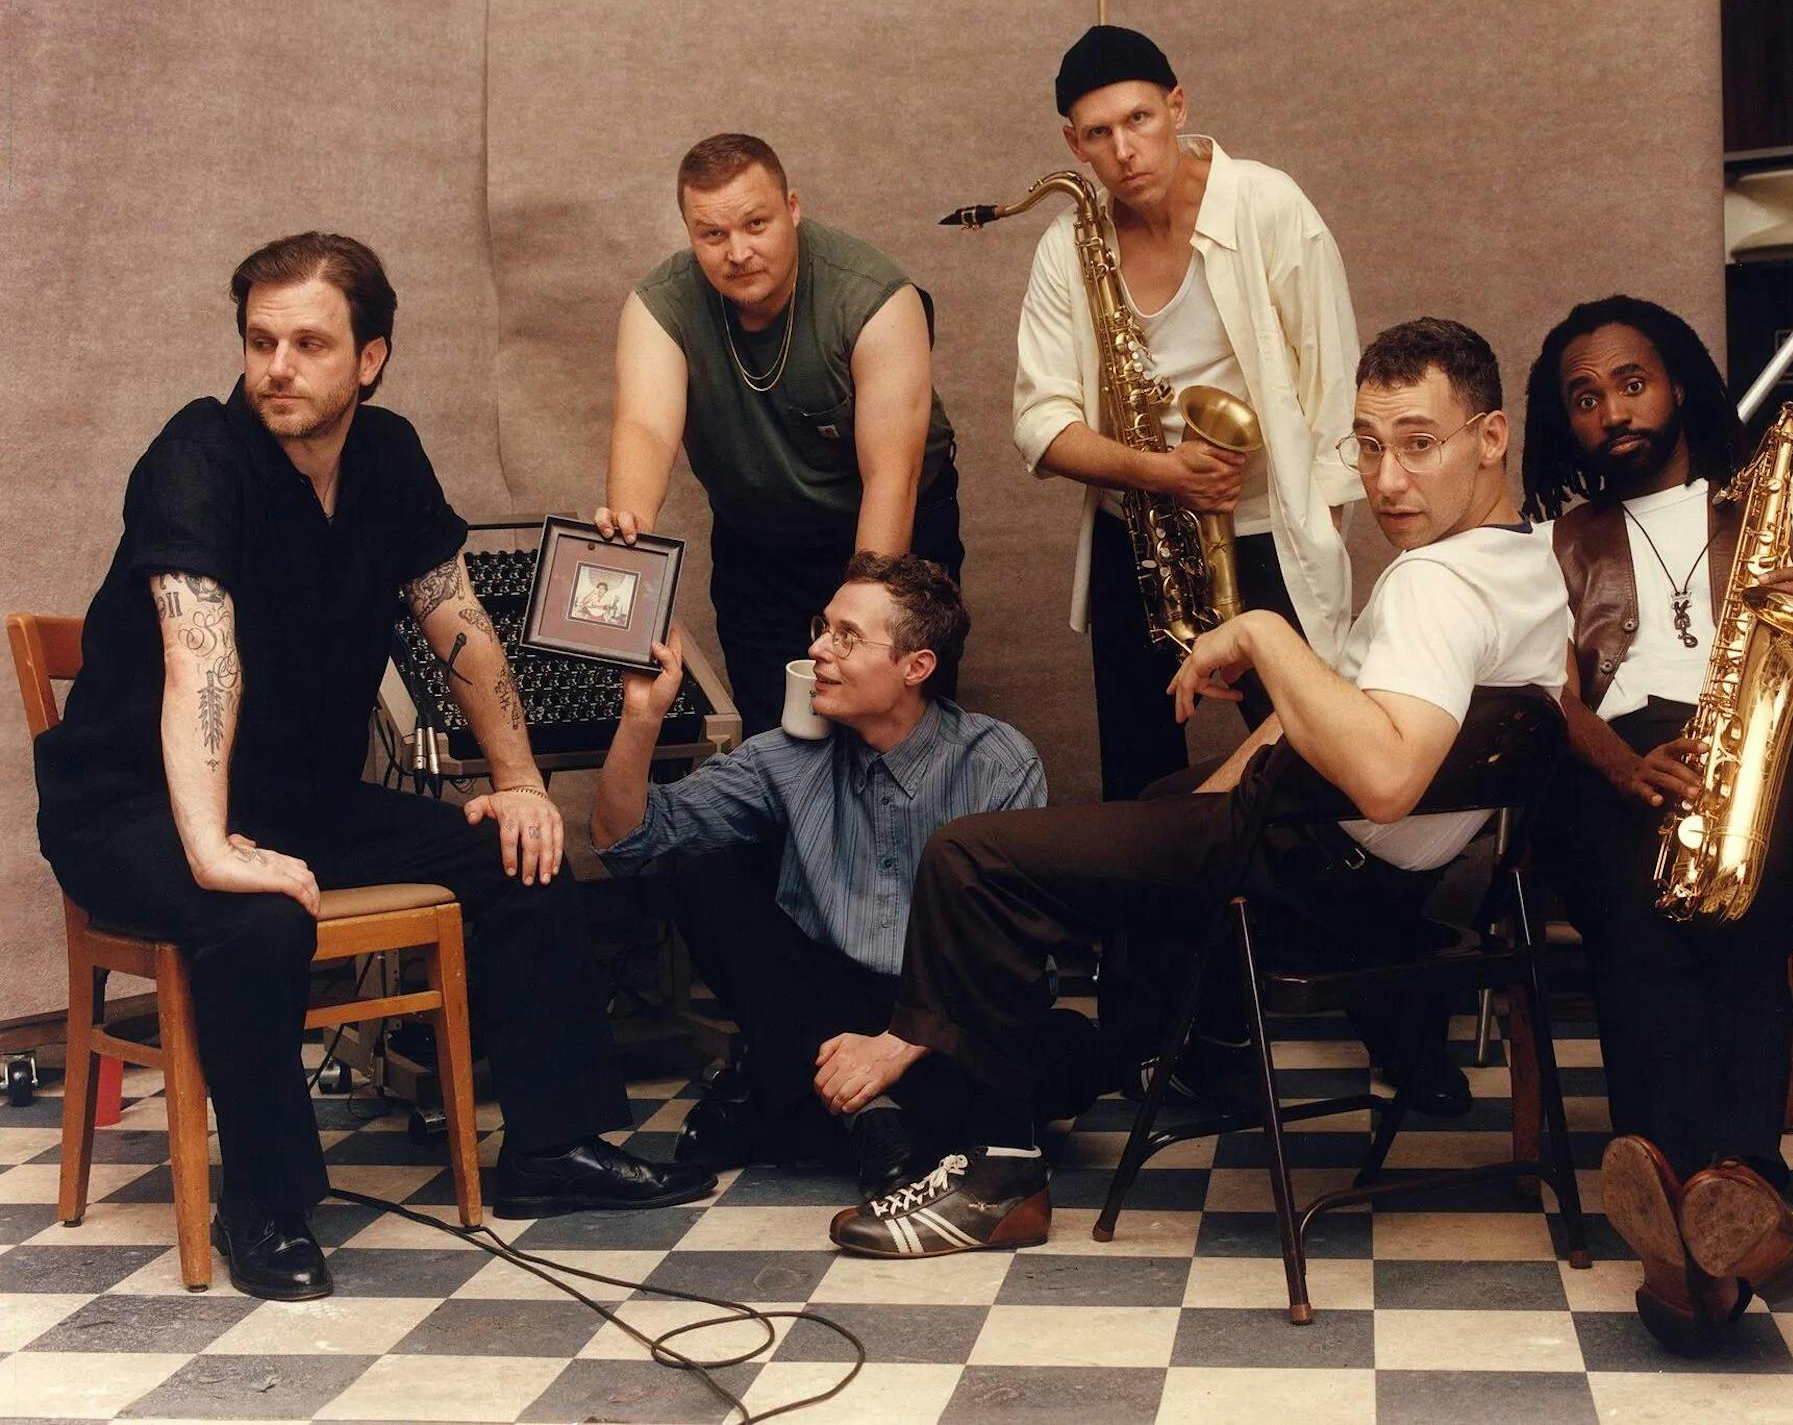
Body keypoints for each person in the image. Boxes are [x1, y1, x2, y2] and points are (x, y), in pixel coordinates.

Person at [32, 234, 711, 1303]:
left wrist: (523, 782)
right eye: (261, 341)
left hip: (294, 802)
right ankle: (270, 1206)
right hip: (131, 808)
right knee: (257, 918)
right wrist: (212, 850)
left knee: (512, 851)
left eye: (308, 343)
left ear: (372, 358)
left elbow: (458, 623)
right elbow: (197, 649)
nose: (277, 367)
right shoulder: (197, 455)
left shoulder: (386, 457)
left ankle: (553, 1146)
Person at [816, 319, 1568, 1258]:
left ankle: (999, 1169)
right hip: (1392, 889)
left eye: (1419, 444)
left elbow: (1381, 776)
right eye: (1368, 447)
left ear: (1491, 437)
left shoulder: (1435, 587)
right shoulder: (1532, 564)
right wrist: (1202, 803)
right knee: (1159, 796)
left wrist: (1260, 631)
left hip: (1314, 880)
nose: (1385, 481)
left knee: (971, 858)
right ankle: (1148, 1053)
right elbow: (1354, 710)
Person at [1520, 295, 1793, 1351]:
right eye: (1582, 398)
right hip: (1617, 765)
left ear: (1676, 383)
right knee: (1642, 912)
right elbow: (1548, 700)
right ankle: (1727, 1198)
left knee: (1742, 899)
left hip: (1772, 758)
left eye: (1629, 382)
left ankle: (1682, 1211)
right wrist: (1627, 767)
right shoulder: (1554, 542)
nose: (1609, 412)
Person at [589, 553, 1092, 1199]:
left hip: (949, 1010)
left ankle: (787, 1091)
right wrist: (642, 716)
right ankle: (874, 1119)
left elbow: (1011, 952)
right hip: (824, 1004)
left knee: (1072, 1053)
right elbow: (626, 840)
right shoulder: (788, 755)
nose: (818, 648)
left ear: (916, 666)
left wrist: (901, 1043)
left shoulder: (999, 762)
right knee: (703, 875)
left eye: (846, 636)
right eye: (823, 627)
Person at [1013, 25, 1364, 801]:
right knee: (1137, 777)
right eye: (1099, 134)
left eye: (1139, 119)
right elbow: (1039, 423)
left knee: (1307, 767)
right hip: (1135, 535)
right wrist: (1165, 473)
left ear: (1178, 105)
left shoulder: (1269, 206)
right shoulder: (1068, 246)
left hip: (1267, 527)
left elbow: (1335, 392)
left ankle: (1307, 923)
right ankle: (1160, 925)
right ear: (1075, 145)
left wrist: (1321, 551)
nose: (1125, 150)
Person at [598, 133, 962, 734]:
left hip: (889, 531)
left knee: (891, 727)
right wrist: (630, 556)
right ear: (690, 232)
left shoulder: (876, 298)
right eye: (712, 235)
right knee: (778, 736)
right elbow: (644, 427)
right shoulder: (659, 304)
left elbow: (890, 477)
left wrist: (853, 629)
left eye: (756, 224)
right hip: (759, 543)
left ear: (792, 208)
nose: (737, 252)